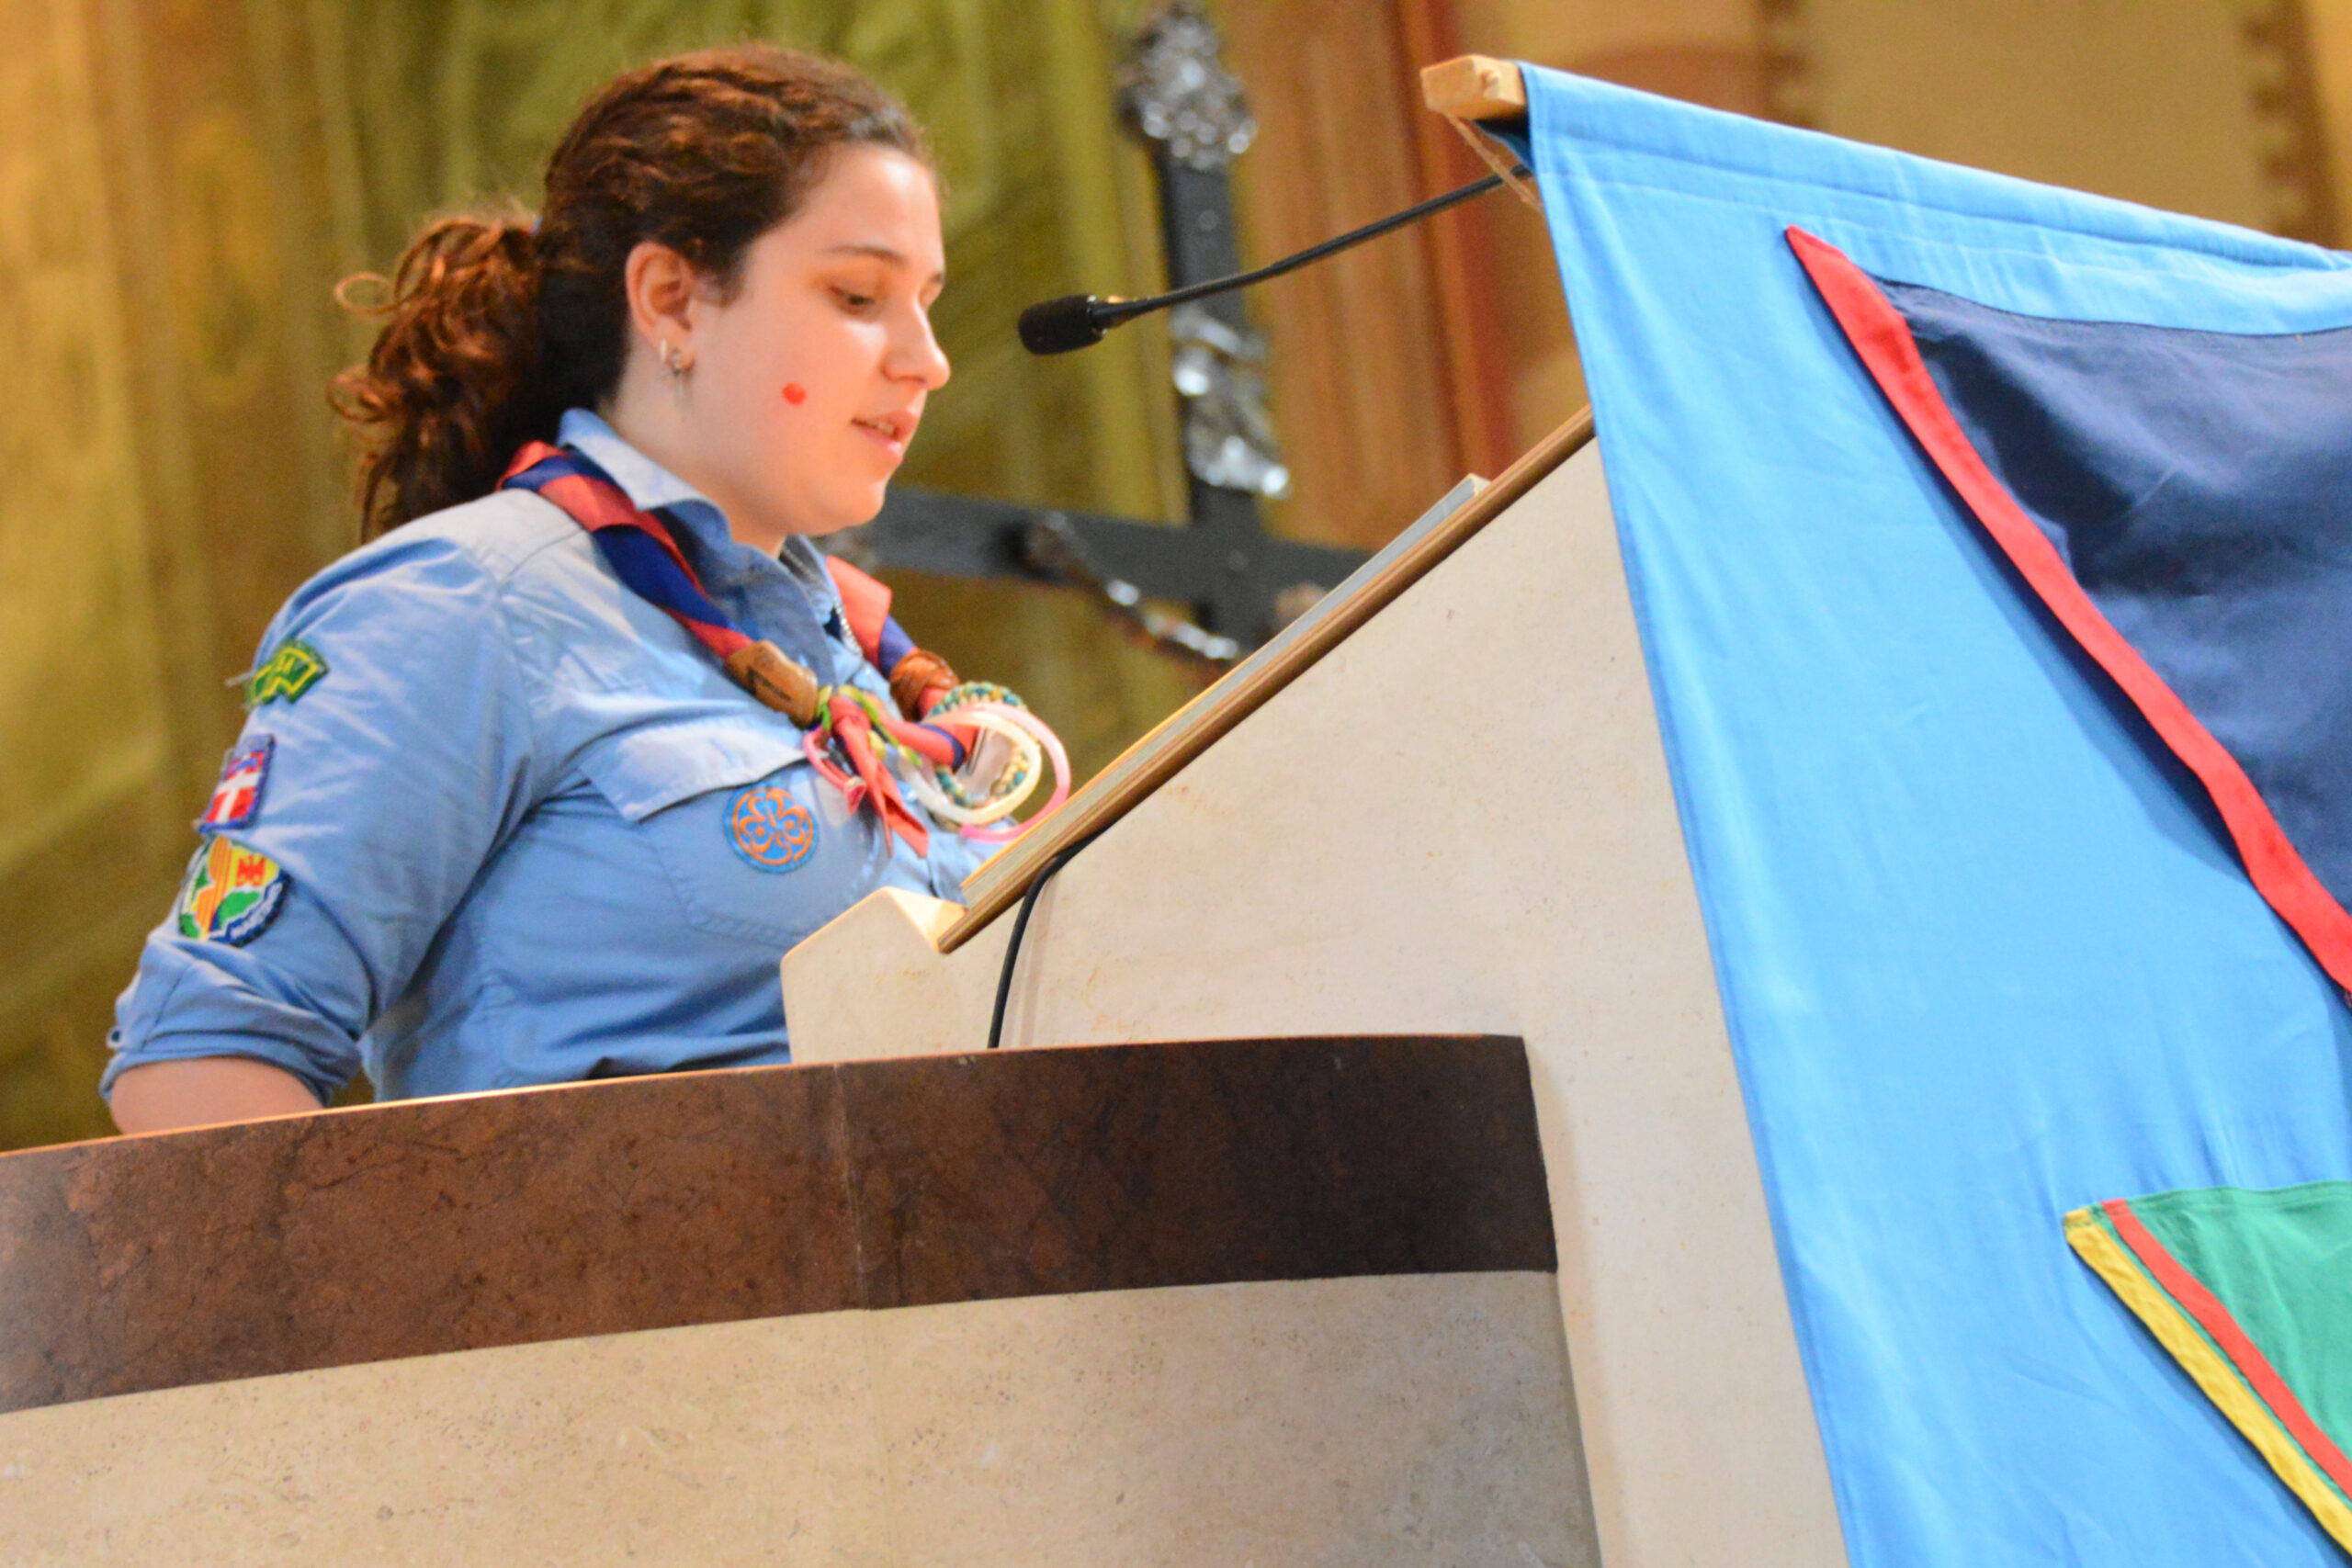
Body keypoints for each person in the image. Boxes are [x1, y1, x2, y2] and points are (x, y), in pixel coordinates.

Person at [105, 44, 1023, 1134]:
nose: (927, 358)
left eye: (926, 301)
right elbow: (200, 1061)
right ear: (673, 299)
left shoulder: (862, 660)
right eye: (858, 293)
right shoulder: (468, 602)